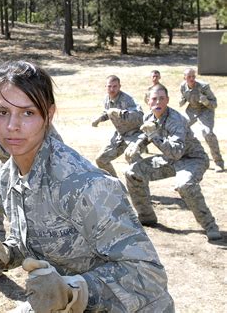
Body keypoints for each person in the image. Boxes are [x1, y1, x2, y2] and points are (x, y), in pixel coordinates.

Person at [0, 61, 174, 312]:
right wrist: (5, 253)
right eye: (2, 112)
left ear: (49, 114)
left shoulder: (83, 185)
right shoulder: (9, 178)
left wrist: (73, 290)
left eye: (28, 113)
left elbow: (149, 277)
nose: (12, 126)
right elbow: (37, 241)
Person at [124, 84, 222, 241]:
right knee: (132, 173)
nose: (158, 102)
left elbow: (176, 152)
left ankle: (210, 225)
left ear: (167, 100)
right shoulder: (149, 117)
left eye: (162, 99)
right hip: (169, 159)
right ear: (148, 101)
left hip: (192, 159)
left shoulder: (175, 120)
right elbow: (145, 134)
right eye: (154, 99)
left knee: (185, 185)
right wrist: (137, 146)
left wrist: (154, 134)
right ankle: (146, 215)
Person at [91, 75, 144, 177]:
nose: (112, 89)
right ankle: (116, 185)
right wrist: (99, 119)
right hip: (120, 135)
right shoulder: (107, 99)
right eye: (109, 86)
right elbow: (108, 113)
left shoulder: (128, 100)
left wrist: (121, 113)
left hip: (135, 135)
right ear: (105, 87)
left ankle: (140, 191)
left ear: (120, 86)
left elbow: (139, 115)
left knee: (133, 159)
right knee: (101, 160)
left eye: (115, 86)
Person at [180, 68, 224, 172]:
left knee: (207, 133)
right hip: (192, 110)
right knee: (180, 128)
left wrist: (206, 101)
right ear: (184, 77)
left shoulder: (203, 86)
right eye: (189, 77)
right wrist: (182, 100)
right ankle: (182, 156)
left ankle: (219, 162)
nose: (192, 79)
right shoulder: (183, 86)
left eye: (193, 76)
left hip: (206, 110)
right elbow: (184, 97)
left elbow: (214, 104)